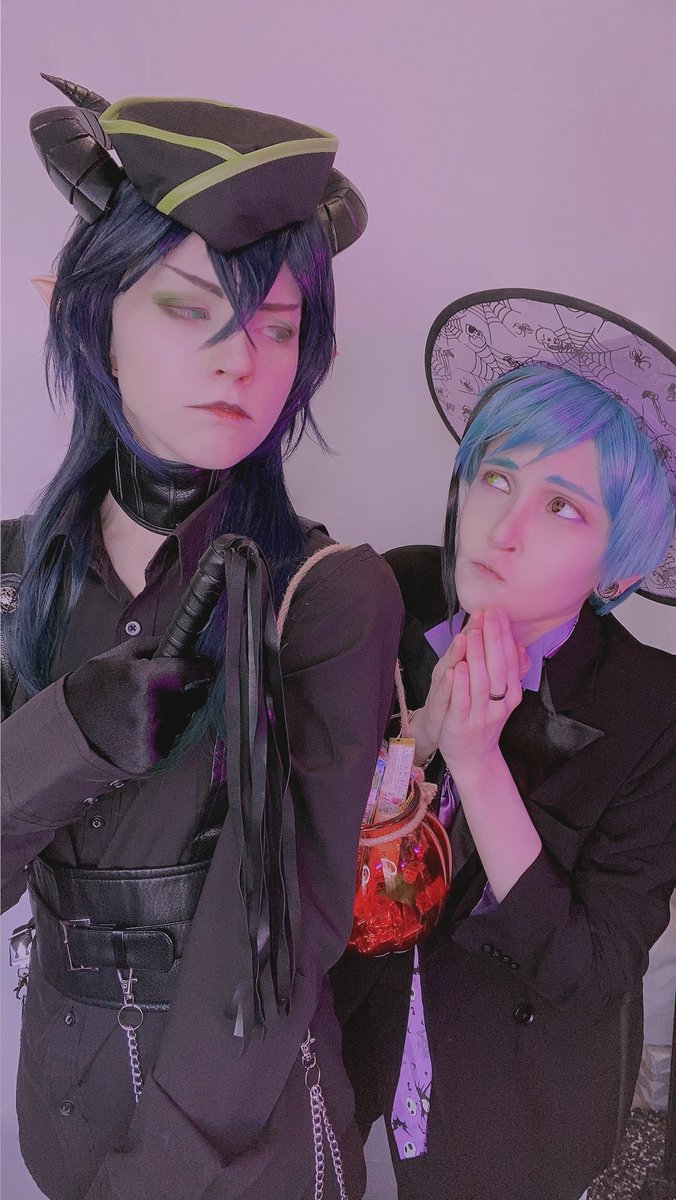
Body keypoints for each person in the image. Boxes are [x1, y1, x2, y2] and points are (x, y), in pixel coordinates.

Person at [1, 76, 403, 1200]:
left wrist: (151, 1184)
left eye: (277, 325)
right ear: (84, 314)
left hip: (248, 1145)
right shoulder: (15, 580)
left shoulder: (327, 597)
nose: (240, 360)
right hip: (61, 1112)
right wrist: (70, 732)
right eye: (189, 309)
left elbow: (279, 942)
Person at [332, 290, 676, 1200]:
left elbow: (590, 974)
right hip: (361, 1032)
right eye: (497, 477)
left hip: (518, 1096)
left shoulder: (656, 710)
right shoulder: (391, 596)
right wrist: (420, 738)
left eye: (563, 507)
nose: (505, 528)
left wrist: (480, 766)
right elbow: (314, 815)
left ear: (619, 567)